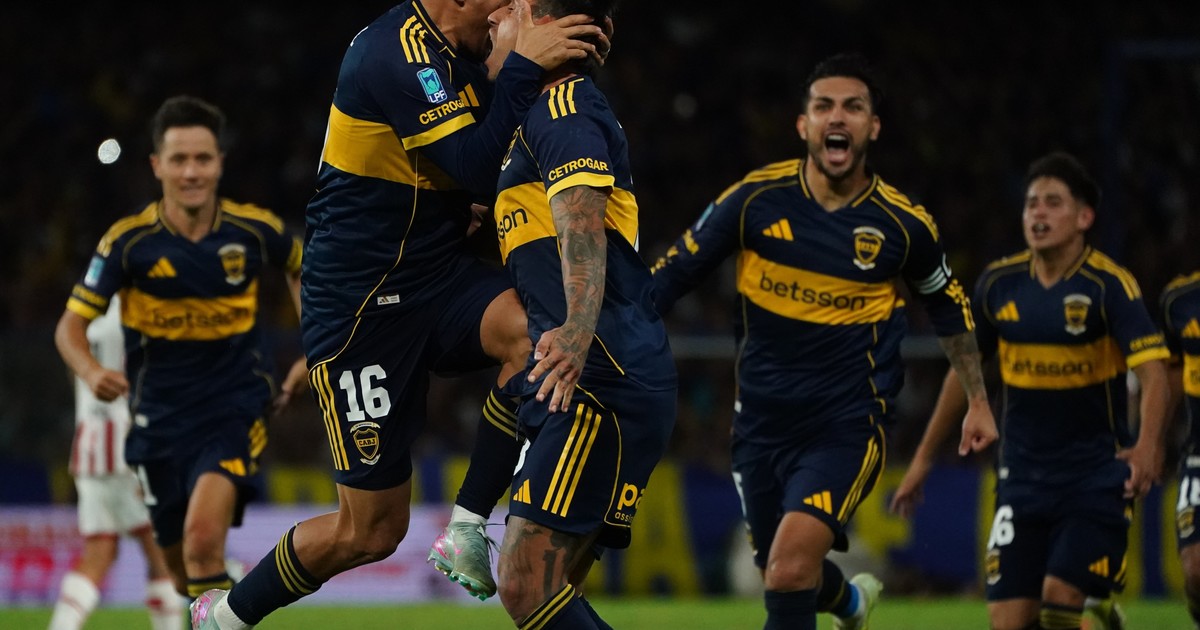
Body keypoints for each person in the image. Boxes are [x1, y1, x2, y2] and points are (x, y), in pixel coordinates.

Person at [188, 2, 607, 628]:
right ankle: (225, 617)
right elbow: (473, 164)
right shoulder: (392, 50)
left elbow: (486, 161)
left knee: (534, 338)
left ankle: (467, 525)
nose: (504, 13)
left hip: (436, 275)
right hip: (360, 306)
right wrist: (524, 65)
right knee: (371, 531)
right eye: (498, 1)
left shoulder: (471, 59)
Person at [650, 52, 997, 630]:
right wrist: (604, 340)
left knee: (787, 570)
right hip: (760, 424)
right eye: (824, 106)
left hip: (845, 426)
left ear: (873, 127)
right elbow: (670, 277)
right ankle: (852, 605)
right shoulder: (755, 200)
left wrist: (979, 400)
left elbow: (950, 309)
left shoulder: (902, 225)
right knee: (781, 565)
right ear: (803, 124)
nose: (837, 117)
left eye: (853, 107)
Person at [890, 151, 1170, 630]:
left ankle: (1082, 607)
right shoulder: (1000, 285)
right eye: (1031, 203)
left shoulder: (1108, 286)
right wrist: (923, 459)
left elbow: (1155, 373)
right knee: (1008, 621)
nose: (1038, 212)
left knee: (1059, 599)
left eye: (1053, 203)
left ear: (1084, 218)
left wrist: (1147, 446)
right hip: (1021, 477)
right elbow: (964, 370)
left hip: (1093, 477)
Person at [54, 94, 306, 604]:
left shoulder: (254, 229)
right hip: (157, 421)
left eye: (203, 159)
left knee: (201, 542)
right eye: (179, 159)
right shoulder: (128, 243)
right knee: (179, 575)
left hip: (234, 409)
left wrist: (312, 350)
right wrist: (90, 371)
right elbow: (69, 327)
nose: (192, 172)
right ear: (157, 165)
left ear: (220, 163)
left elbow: (303, 268)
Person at [485, 1, 674, 628]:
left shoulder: (563, 107)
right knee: (553, 592)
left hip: (597, 377)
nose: (492, 18)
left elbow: (582, 222)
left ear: (538, 22)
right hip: (599, 372)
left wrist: (574, 330)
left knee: (523, 583)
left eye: (508, 7)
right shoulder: (533, 117)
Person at [49, 294, 184, 630]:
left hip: (90, 445)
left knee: (99, 552)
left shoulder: (83, 316)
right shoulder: (138, 310)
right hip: (131, 444)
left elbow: (73, 369)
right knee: (161, 551)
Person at [1160, 270, 1200, 630]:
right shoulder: (1180, 300)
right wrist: (1152, 443)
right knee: (1195, 569)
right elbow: (1170, 375)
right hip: (1198, 454)